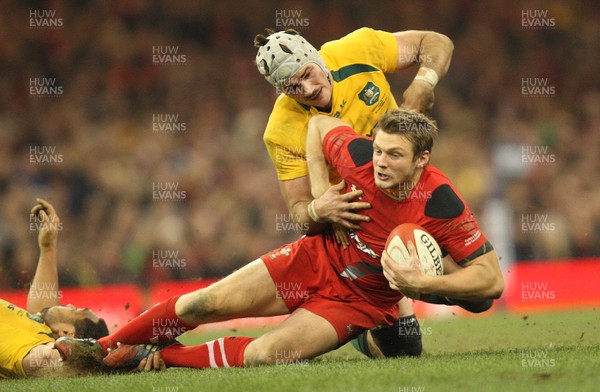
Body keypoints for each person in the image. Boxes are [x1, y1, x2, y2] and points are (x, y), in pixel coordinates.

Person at [73, 109, 502, 370]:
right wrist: (320, 198)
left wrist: (428, 286)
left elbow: (491, 282)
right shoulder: (357, 157)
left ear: (422, 160)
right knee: (202, 304)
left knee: (266, 356)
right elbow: (317, 126)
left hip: (358, 303)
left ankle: (157, 359)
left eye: (394, 155)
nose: (380, 163)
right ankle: (100, 348)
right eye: (378, 150)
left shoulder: (442, 202)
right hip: (312, 259)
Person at [254, 27, 454, 358]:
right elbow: (301, 212)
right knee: (404, 350)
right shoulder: (280, 130)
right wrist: (319, 211)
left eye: (307, 74)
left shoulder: (357, 49)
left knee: (479, 294)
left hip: (409, 196)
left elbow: (436, 42)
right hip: (358, 230)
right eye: (291, 88)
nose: (306, 89)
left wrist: (423, 82)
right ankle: (355, 325)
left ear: (315, 56)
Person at [0, 199, 112, 378]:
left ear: (67, 333)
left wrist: (111, 357)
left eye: (75, 310)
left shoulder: (30, 346)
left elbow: (47, 360)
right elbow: (43, 304)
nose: (68, 304)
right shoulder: (38, 328)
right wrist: (48, 247)